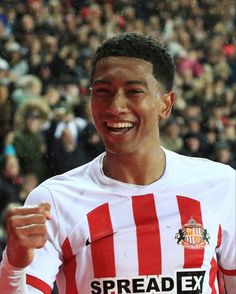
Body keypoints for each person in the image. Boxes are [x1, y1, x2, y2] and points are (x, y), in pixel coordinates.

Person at [0, 32, 235, 293]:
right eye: (103, 91)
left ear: (165, 105)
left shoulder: (222, 186)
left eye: (134, 91)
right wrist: (13, 267)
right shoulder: (53, 200)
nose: (115, 106)